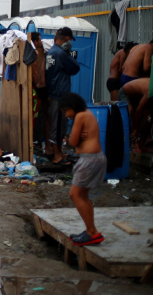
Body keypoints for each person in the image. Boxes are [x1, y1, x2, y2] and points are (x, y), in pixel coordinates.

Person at [59, 92, 106, 247]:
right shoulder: (87, 114)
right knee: (83, 195)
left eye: (66, 111)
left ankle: (92, 232)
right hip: (95, 158)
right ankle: (90, 230)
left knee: (75, 194)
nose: (66, 116)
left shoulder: (80, 116)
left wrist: (75, 137)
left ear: (72, 107)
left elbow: (72, 141)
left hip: (89, 160)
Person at [46, 27, 81, 165]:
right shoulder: (61, 54)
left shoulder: (51, 52)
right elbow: (75, 68)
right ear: (67, 39)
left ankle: (59, 153)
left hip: (53, 93)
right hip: (60, 95)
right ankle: (57, 156)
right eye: (70, 40)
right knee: (58, 126)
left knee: (57, 124)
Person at [31, 32, 51, 157]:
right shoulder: (37, 54)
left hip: (39, 89)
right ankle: (40, 142)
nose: (41, 42)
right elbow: (35, 74)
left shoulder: (41, 53)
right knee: (41, 117)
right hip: (39, 89)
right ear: (36, 41)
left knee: (40, 117)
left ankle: (38, 141)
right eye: (39, 40)